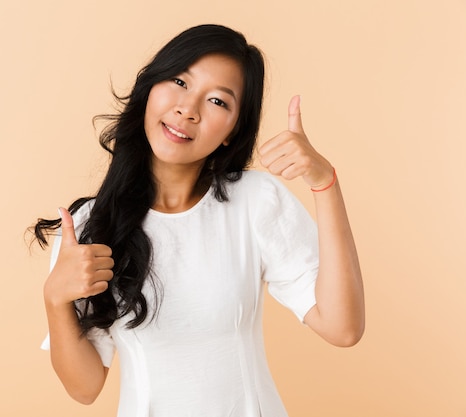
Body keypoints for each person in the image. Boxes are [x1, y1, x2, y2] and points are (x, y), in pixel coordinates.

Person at [32, 24, 365, 417]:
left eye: (218, 102)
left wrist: (324, 182)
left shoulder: (255, 200)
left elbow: (343, 328)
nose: (187, 110)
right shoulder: (92, 226)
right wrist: (55, 298)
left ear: (232, 132)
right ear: (150, 89)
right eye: (179, 81)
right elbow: (84, 387)